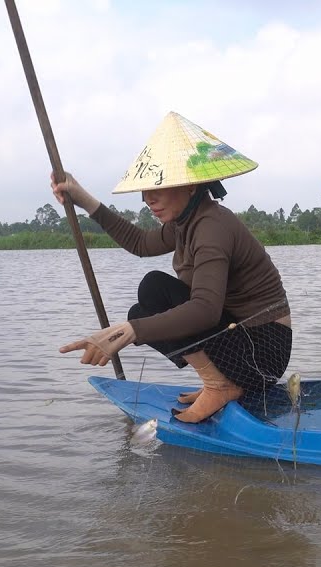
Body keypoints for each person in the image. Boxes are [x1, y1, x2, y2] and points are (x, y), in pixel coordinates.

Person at [55, 111, 292, 423]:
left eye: (159, 187)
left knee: (153, 290)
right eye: (146, 190)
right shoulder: (185, 222)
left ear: (190, 186)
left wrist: (126, 334)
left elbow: (205, 310)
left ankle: (219, 384)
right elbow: (139, 243)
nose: (147, 198)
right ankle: (218, 381)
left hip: (263, 352)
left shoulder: (212, 225)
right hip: (242, 344)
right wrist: (83, 198)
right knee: (142, 310)